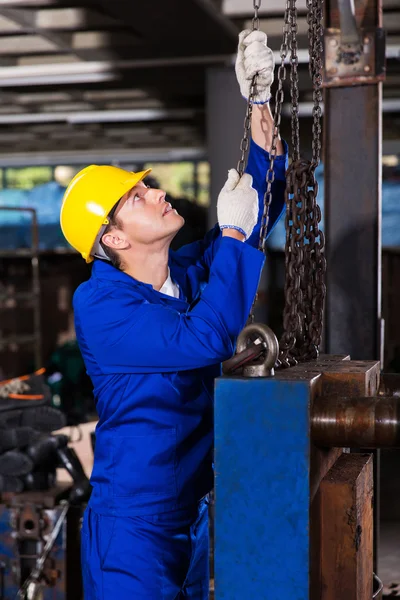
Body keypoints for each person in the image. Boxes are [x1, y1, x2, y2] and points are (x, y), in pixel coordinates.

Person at [60, 29, 288, 600]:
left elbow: (258, 213)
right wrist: (232, 230)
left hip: (192, 510)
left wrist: (260, 105)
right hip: (134, 526)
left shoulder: (182, 274)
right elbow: (208, 337)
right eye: (137, 197)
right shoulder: (101, 306)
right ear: (111, 237)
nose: (157, 194)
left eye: (148, 186)